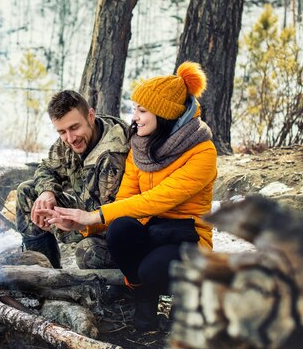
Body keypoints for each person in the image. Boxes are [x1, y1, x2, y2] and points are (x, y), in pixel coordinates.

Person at [42, 62, 217, 330]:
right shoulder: (141, 148)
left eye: (142, 110)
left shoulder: (202, 152)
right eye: (134, 109)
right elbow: (124, 203)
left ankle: (166, 302)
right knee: (120, 230)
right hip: (153, 232)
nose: (134, 117)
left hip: (187, 238)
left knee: (153, 268)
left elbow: (158, 199)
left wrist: (93, 214)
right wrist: (84, 225)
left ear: (165, 113)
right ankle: (143, 295)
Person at [15, 90, 130, 269]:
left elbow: (108, 219)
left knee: (87, 252)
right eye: (62, 131)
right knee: (28, 193)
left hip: (112, 230)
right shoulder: (72, 138)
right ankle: (44, 273)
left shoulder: (113, 154)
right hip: (83, 212)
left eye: (74, 128)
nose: (69, 139)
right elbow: (46, 167)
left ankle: (113, 291)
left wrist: (66, 224)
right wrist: (47, 192)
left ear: (91, 116)